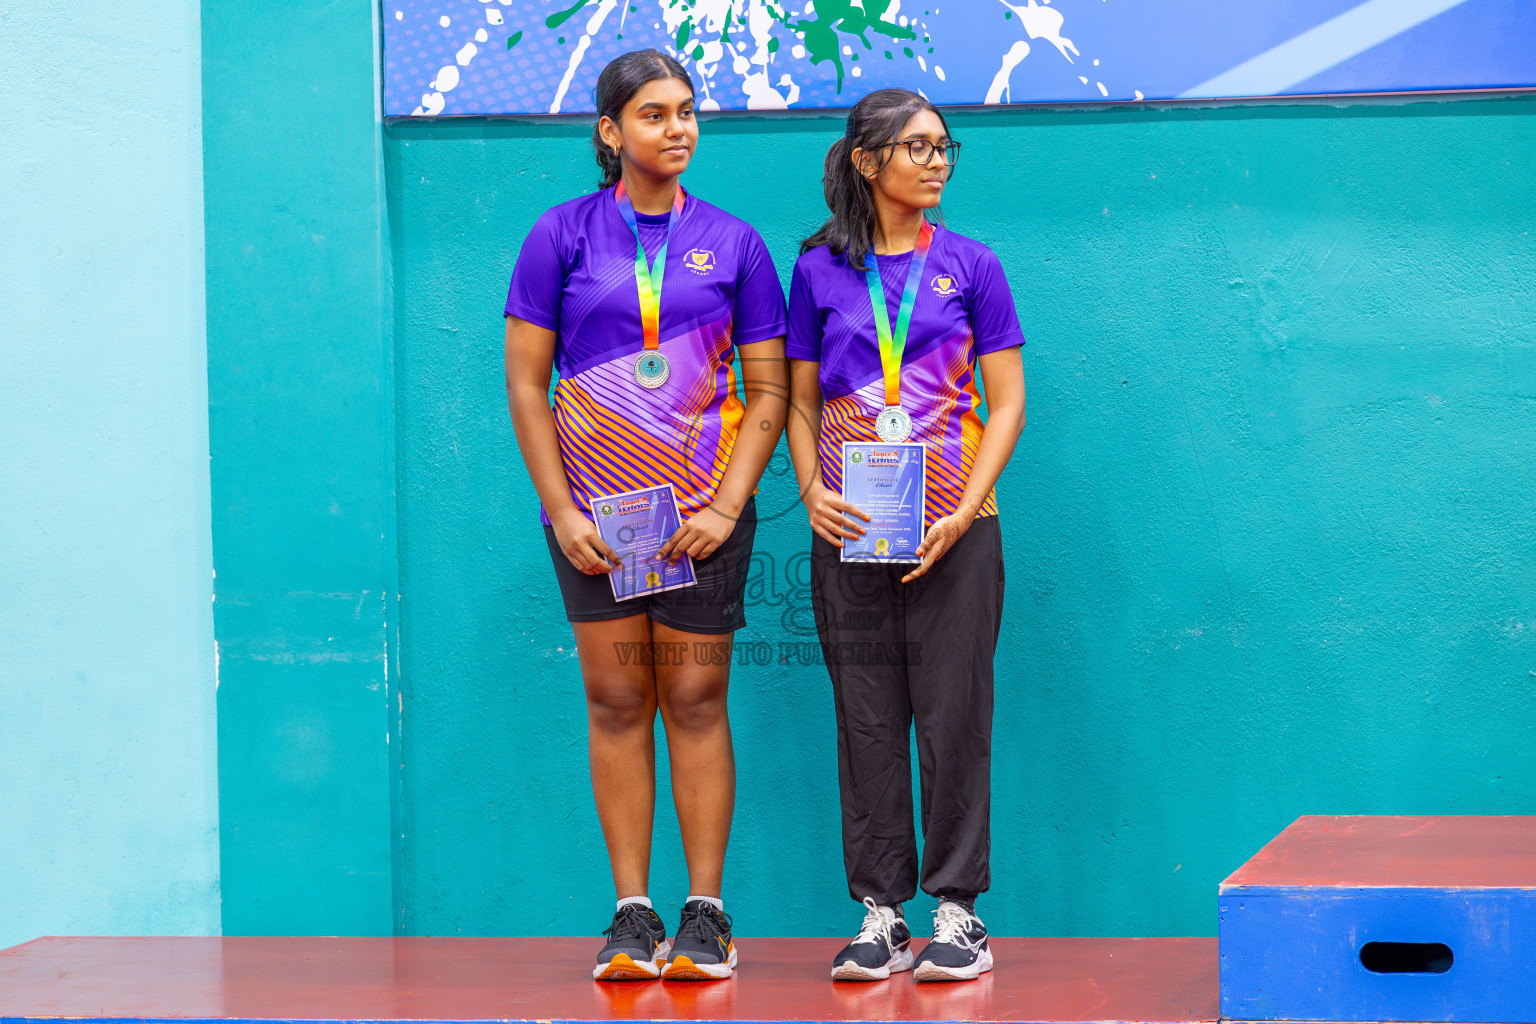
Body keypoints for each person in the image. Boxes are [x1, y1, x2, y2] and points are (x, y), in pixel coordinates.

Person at [503, 49, 788, 982]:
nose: (678, 128)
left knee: (697, 701)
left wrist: (727, 504)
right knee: (618, 699)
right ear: (610, 131)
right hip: (595, 520)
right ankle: (633, 916)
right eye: (656, 114)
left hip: (704, 517)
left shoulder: (736, 242)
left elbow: (771, 391)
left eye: (687, 111)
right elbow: (525, 382)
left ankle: (705, 916)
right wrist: (561, 511)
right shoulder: (561, 236)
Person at [785, 88, 1026, 983]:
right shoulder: (816, 272)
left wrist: (967, 503)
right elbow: (798, 404)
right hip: (850, 526)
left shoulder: (973, 266)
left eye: (942, 146)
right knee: (867, 720)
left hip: (956, 529)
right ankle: (881, 915)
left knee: (955, 715)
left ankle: (958, 915)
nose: (935, 161)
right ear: (865, 159)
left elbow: (1007, 407)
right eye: (915, 146)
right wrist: (811, 491)